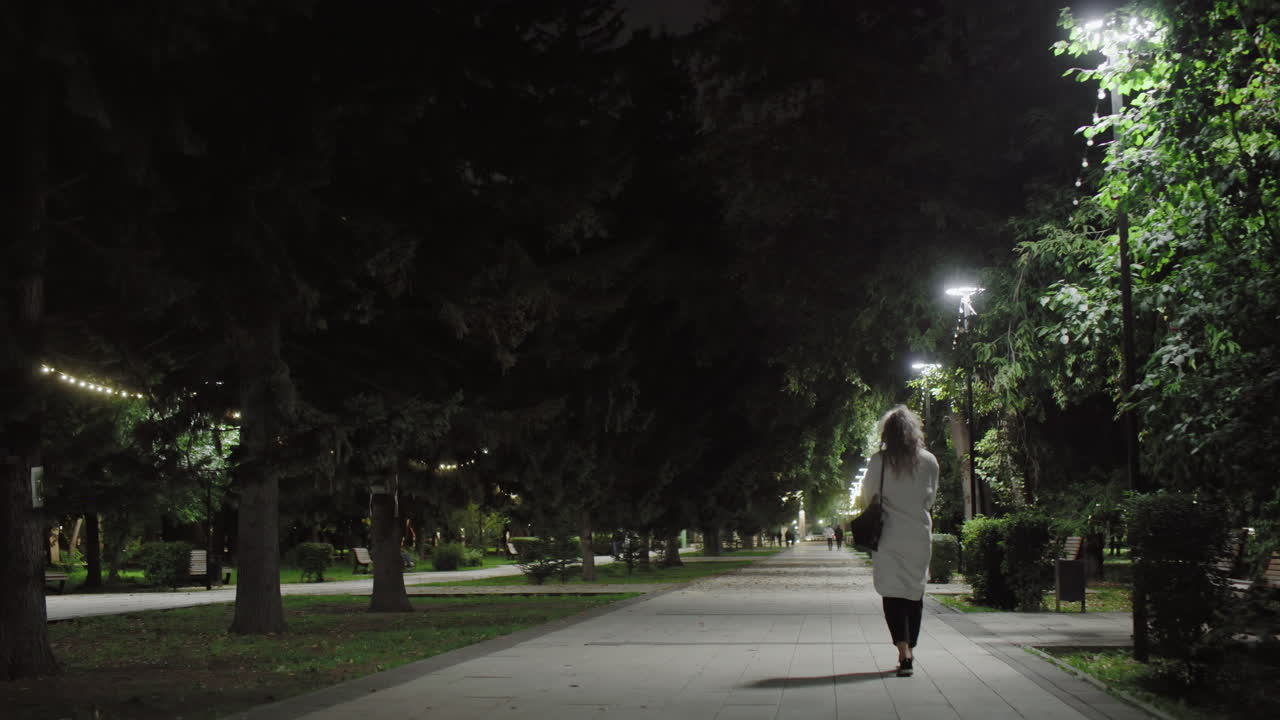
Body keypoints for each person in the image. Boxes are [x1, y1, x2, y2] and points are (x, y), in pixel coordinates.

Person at [857, 405, 939, 678]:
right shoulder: (929, 461)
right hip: (918, 534)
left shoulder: (878, 461)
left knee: (892, 593)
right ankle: (911, 650)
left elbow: (870, 496)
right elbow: (930, 499)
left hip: (888, 535)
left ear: (887, 433)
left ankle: (902, 649)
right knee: (914, 593)